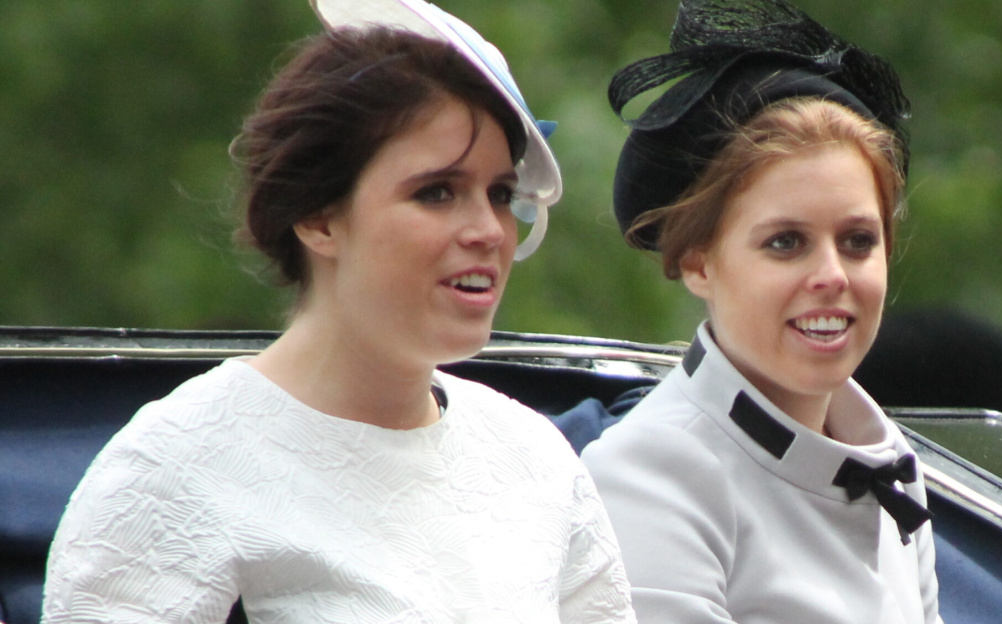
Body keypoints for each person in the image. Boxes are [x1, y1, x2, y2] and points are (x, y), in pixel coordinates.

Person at [41, 1, 634, 622]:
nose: (488, 229)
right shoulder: (175, 467)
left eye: (502, 194)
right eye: (437, 192)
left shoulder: (533, 461)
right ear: (319, 216)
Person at [580, 0, 941, 622]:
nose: (831, 276)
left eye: (858, 241)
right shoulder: (649, 477)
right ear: (698, 262)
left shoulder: (891, 465)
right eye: (786, 243)